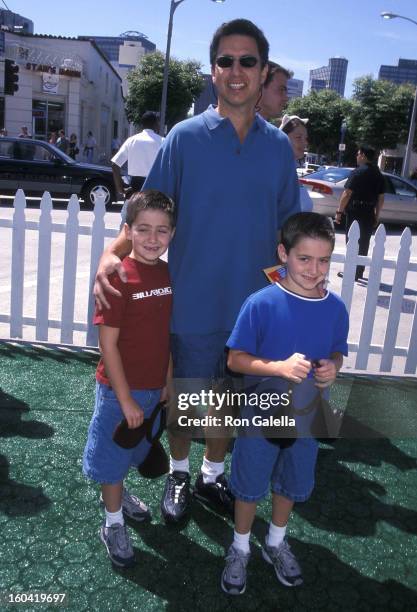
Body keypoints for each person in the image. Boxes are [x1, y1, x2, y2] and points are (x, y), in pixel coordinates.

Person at [94, 18, 300, 524]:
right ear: (213, 70)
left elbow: (291, 235)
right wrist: (108, 256)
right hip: (190, 305)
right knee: (186, 404)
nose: (236, 71)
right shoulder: (183, 139)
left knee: (225, 407)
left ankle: (211, 475)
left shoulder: (278, 149)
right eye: (226, 61)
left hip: (251, 315)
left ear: (262, 70)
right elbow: (146, 217)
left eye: (247, 61)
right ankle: (180, 474)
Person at [221, 212, 349, 595]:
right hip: (260, 419)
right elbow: (234, 359)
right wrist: (277, 366)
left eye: (323, 260)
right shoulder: (260, 303)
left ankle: (275, 541)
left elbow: (337, 352)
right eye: (304, 258)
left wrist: (333, 369)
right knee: (248, 485)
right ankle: (240, 546)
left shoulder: (336, 307)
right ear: (283, 254)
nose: (314, 269)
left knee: (291, 484)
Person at [83, 190, 175, 568]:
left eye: (162, 230)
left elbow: (167, 333)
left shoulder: (168, 273)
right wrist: (124, 399)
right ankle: (113, 520)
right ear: (127, 231)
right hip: (118, 392)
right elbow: (108, 344)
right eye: (143, 229)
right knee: (111, 458)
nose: (153, 239)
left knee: (130, 453)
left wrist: (168, 380)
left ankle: (119, 497)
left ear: (172, 233)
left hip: (154, 388)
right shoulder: (117, 276)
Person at [335, 145, 385, 281]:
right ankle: (359, 271)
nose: (357, 157)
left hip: (355, 211)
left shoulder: (358, 172)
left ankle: (351, 272)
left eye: (358, 154)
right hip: (369, 211)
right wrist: (377, 215)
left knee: (352, 241)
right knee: (364, 242)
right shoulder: (378, 174)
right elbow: (381, 198)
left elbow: (347, 193)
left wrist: (339, 212)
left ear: (363, 155)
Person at [111, 111, 163, 199]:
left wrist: (120, 188)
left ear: (142, 125)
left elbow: (115, 164)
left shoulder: (131, 140)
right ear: (155, 124)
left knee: (131, 212)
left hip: (134, 190)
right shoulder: (163, 142)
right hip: (155, 192)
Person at [280, 114, 313, 212]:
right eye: (299, 137)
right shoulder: (275, 173)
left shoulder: (291, 172)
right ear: (282, 137)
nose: (305, 142)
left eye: (305, 138)